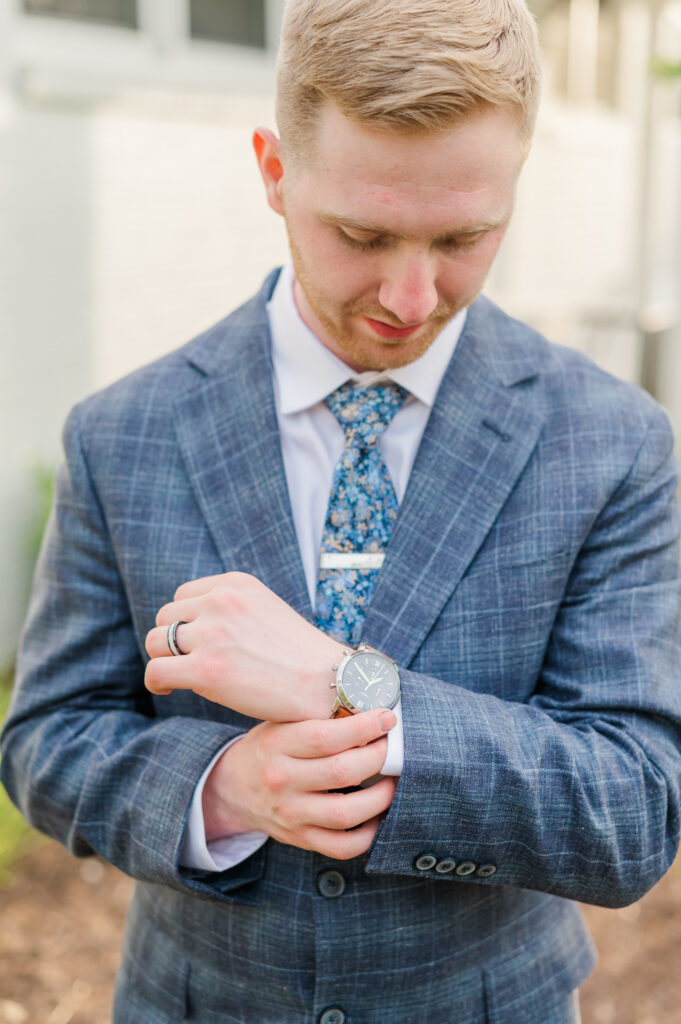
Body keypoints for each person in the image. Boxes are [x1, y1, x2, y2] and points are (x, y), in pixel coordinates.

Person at [3, 0, 681, 1021]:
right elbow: (48, 738)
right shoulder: (124, 432)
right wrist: (223, 788)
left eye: (464, 236)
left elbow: (633, 809)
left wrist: (343, 686)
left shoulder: (614, 442)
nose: (411, 295)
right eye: (361, 234)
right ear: (274, 171)